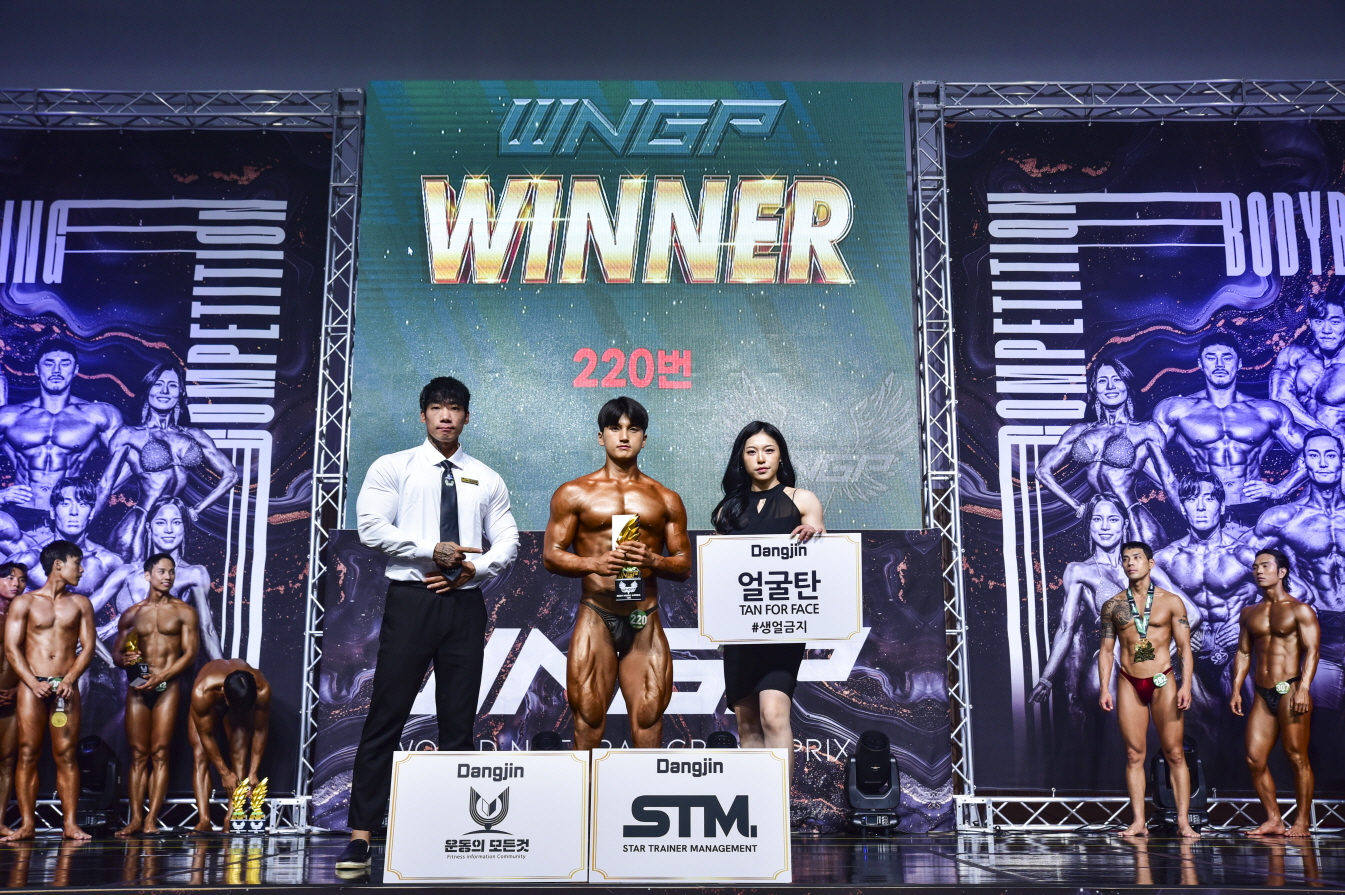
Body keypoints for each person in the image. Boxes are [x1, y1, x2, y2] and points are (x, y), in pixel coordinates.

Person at [339, 376, 518, 872]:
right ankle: (360, 836)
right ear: (423, 415)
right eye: (437, 408)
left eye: (454, 408)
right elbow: (371, 527)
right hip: (412, 601)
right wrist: (429, 551)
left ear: (466, 417)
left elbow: (507, 539)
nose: (445, 416)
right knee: (386, 716)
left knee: (458, 722)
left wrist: (475, 568)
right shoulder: (393, 467)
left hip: (464, 603)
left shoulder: (486, 476)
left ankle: (452, 831)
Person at [543, 396, 691, 752]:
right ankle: (585, 790)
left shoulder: (666, 498)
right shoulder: (574, 493)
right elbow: (551, 555)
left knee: (649, 716)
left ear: (644, 439)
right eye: (615, 428)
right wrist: (592, 564)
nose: (624, 436)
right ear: (601, 437)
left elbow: (684, 564)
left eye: (633, 429)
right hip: (598, 611)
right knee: (588, 716)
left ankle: (644, 790)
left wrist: (654, 560)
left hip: (644, 614)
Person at [711, 422, 822, 775]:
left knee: (773, 715)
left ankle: (780, 802)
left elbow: (823, 551)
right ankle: (759, 800)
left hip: (783, 626)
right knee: (747, 724)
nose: (761, 458)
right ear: (741, 459)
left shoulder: (802, 500)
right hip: (740, 631)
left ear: (781, 456)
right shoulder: (727, 510)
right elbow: (719, 572)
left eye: (769, 450)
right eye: (752, 451)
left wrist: (815, 533)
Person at [1031, 496, 1194, 718]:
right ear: (1089, 524)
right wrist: (1046, 678)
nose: (1105, 527)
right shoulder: (1079, 570)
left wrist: (1164, 655)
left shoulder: (1145, 565)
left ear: (1125, 524)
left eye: (1113, 519)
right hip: (1115, 659)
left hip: (1154, 662)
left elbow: (1192, 614)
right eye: (1098, 519)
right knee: (1125, 731)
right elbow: (1065, 628)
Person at [1098, 540, 1199, 839]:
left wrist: (1186, 685)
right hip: (1129, 681)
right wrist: (1104, 688)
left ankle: (1184, 822)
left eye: (1137, 557)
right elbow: (1106, 651)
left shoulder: (1171, 602)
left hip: (1162, 680)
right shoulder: (1113, 605)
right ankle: (1139, 822)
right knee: (1133, 755)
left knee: (1175, 753)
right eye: (1125, 559)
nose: (1131, 563)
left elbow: (1185, 648)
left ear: (1150, 563)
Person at [93, 362, 239, 561]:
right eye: (158, 384)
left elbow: (231, 475)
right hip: (138, 526)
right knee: (131, 579)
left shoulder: (194, 435)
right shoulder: (129, 435)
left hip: (170, 525)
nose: (164, 391)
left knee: (171, 577)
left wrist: (196, 510)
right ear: (148, 389)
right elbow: (106, 485)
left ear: (181, 392)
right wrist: (86, 521)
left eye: (172, 385)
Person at [1, 540, 95, 840]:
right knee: (28, 753)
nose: (81, 570)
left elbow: (88, 647)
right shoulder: (25, 603)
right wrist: (32, 682)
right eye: (77, 563)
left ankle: (70, 824)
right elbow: (12, 648)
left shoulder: (80, 604)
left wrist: (69, 679)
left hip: (65, 688)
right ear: (58, 564)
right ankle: (27, 825)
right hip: (33, 687)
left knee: (66, 755)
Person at [1153, 332, 1304, 518]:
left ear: (1239, 363)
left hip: (1254, 507)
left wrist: (1282, 488)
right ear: (1200, 364)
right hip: (1205, 509)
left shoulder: (1267, 411)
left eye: (1227, 357)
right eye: (1211, 358)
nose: (1219, 364)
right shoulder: (1177, 409)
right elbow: (1144, 455)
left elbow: (1317, 449)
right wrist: (1173, 488)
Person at [1037, 356, 1185, 546]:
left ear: (1127, 385)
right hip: (1103, 523)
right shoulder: (1080, 431)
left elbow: (1168, 481)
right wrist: (1077, 506)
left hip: (1135, 522)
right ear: (1094, 388)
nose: (1110, 386)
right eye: (1102, 381)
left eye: (1116, 379)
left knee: (1145, 566)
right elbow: (1042, 471)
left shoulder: (1146, 430)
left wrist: (1192, 520)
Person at [1251, 428, 1345, 710]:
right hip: (1320, 634)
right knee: (1322, 723)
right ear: (1304, 462)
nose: (1323, 463)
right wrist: (1291, 590)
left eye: (1331, 455)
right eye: (1314, 456)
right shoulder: (1284, 518)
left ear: (1342, 460)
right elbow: (1243, 560)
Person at [1230, 548, 1320, 838]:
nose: (1259, 571)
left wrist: (1303, 688)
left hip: (1290, 688)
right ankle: (1274, 819)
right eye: (1256, 566)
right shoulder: (1249, 612)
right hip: (1261, 692)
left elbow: (1313, 651)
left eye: (1266, 566)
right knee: (1254, 759)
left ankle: (1302, 822)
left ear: (1282, 572)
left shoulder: (1300, 610)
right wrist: (1236, 688)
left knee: (1296, 756)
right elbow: (1243, 652)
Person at [111, 552, 200, 837]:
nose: (168, 576)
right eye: (162, 571)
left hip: (167, 686)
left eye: (171, 572)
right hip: (138, 686)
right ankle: (135, 819)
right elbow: (117, 654)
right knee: (138, 754)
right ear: (148, 575)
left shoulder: (184, 612)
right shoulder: (133, 613)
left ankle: (151, 820)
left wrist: (163, 676)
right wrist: (124, 659)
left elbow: (190, 654)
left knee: (160, 752)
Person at [1155, 474, 1261, 704]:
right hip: (1187, 656)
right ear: (1183, 508)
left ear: (1221, 507)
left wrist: (1249, 621)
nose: (1201, 507)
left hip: (1234, 650)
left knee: (1245, 714)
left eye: (1209, 499)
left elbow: (1297, 594)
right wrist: (1175, 629)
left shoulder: (1242, 554)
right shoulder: (1166, 558)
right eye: (1192, 500)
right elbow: (1138, 607)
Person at [0, 340, 123, 528]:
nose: (56, 370)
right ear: (37, 369)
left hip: (69, 515)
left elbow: (129, 459)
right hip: (19, 512)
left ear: (75, 370)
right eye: (49, 363)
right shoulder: (10, 416)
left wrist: (100, 493)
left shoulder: (97, 415)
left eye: (65, 364)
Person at [92, 499, 221, 660]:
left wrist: (222, 669)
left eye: (176, 522)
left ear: (184, 527)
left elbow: (207, 630)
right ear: (149, 527)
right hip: (120, 668)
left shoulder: (193, 574)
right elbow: (81, 610)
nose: (169, 530)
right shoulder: (127, 571)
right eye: (161, 522)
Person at [187, 659, 270, 834]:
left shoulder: (262, 689)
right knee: (200, 755)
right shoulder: (202, 691)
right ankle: (204, 820)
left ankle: (231, 818)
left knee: (240, 753)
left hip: (239, 702)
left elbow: (261, 730)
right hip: (210, 703)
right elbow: (206, 736)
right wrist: (224, 773)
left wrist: (253, 773)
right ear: (224, 694)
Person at [10, 477, 124, 598]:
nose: (74, 512)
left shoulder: (107, 562)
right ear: (52, 512)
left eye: (82, 504)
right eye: (65, 504)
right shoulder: (29, 561)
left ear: (91, 513)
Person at [1272, 294, 1345, 435]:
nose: (1326, 330)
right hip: (1299, 441)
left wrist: (1333, 439)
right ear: (1310, 323)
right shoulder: (1293, 355)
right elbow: (1280, 399)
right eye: (1319, 321)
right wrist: (1324, 434)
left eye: (1335, 322)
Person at [0, 562, 27, 836]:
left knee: (8, 761)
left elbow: (36, 657)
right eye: (9, 578)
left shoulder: (26, 617)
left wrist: (19, 689)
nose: (16, 584)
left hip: (12, 697)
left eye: (21, 579)